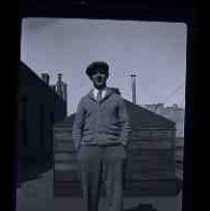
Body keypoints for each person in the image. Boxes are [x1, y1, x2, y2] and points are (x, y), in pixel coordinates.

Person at [72, 61, 130, 211]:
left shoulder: (117, 99)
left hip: (113, 149)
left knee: (115, 193)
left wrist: (122, 145)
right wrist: (79, 148)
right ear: (91, 77)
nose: (98, 76)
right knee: (89, 193)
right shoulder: (84, 101)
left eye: (102, 73)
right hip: (89, 151)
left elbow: (125, 123)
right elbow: (77, 127)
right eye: (95, 73)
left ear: (107, 75)